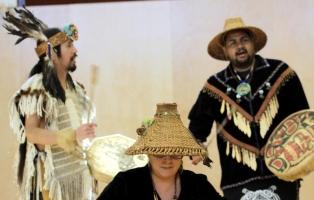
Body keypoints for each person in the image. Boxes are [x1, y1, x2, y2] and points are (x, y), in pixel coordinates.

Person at [188, 17, 309, 200]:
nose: (240, 46)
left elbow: (302, 117)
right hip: (237, 180)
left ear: (253, 43)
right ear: (224, 50)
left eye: (244, 40)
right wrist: (196, 146)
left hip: (282, 173)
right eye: (232, 43)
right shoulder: (214, 86)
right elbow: (198, 125)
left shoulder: (280, 73)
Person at [4, 7, 97, 200]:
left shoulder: (76, 89)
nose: (75, 50)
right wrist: (71, 135)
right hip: (51, 181)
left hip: (77, 177)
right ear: (52, 54)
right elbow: (32, 133)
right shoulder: (38, 87)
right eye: (69, 46)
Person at [97, 103, 226, 200]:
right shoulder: (127, 183)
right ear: (148, 152)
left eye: (175, 153)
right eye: (160, 152)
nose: (168, 160)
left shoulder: (197, 185)